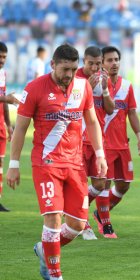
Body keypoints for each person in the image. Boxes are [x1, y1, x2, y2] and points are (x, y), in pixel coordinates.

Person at [6, 44, 107, 280]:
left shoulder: (82, 87)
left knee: (77, 225)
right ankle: (55, 274)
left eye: (73, 69)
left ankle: (44, 249)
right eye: (65, 69)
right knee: (53, 216)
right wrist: (13, 165)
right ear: (53, 64)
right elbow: (20, 128)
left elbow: (91, 122)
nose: (69, 75)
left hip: (75, 163)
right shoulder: (34, 89)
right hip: (46, 162)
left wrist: (100, 154)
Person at [93, 46, 140, 239]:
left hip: (122, 143)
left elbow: (131, 111)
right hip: (103, 143)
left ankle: (99, 212)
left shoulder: (127, 86)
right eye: (109, 60)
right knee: (104, 183)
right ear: (102, 64)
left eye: (116, 59)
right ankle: (106, 224)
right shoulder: (96, 86)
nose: (114, 63)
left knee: (124, 185)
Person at [76, 46, 115, 240]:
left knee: (100, 183)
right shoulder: (74, 77)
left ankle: (76, 207)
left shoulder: (103, 77)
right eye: (90, 63)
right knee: (81, 184)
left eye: (98, 63)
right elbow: (71, 105)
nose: (94, 67)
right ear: (84, 61)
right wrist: (87, 89)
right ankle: (83, 222)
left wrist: (106, 89)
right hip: (76, 141)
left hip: (97, 140)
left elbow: (110, 109)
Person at [0, 42, 20, 212]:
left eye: (4, 57)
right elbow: (4, 98)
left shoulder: (2, 73)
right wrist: (5, 99)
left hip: (0, 122)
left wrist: (8, 124)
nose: (2, 60)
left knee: (0, 163)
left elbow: (4, 100)